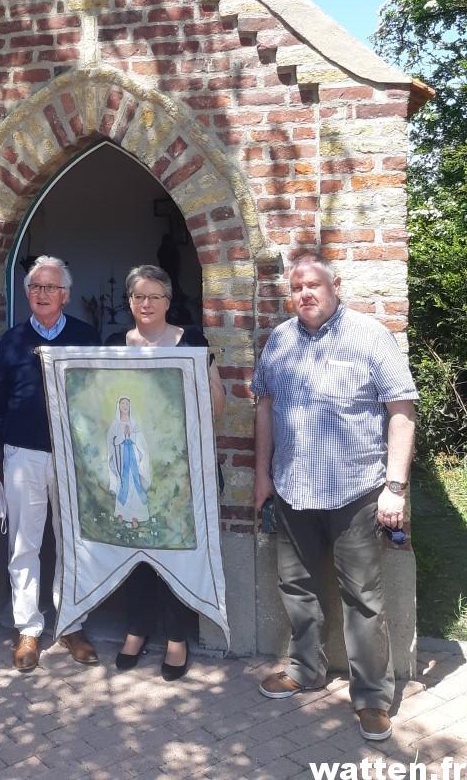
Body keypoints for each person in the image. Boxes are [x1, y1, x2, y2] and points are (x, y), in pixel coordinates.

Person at [252, 251, 417, 743]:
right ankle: (306, 669)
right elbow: (264, 408)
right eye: (297, 287)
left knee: (364, 599)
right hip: (293, 491)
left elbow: (402, 411)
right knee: (296, 589)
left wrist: (395, 487)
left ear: (335, 285)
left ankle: (371, 698)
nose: (305, 294)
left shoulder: (370, 336)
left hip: (356, 495)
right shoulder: (279, 342)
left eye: (314, 285)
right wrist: (262, 475)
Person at [0, 256, 102, 672]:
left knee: (73, 543)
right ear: (27, 293)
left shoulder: (87, 337)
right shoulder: (11, 341)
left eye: (51, 288)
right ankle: (28, 629)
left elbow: (100, 399)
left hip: (73, 457)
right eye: (35, 287)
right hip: (21, 456)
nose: (42, 294)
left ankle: (71, 623)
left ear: (65, 295)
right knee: (23, 544)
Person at [105, 264, 226, 682]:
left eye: (155, 296)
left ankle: (177, 637)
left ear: (168, 302)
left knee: (175, 550)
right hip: (135, 471)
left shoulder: (192, 340)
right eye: (139, 296)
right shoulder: (113, 346)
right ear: (130, 301)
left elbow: (217, 407)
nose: (146, 303)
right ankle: (136, 629)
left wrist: (200, 370)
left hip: (181, 470)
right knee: (135, 550)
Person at [107, 396, 151, 526]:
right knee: (123, 485)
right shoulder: (115, 424)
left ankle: (136, 516)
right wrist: (122, 436)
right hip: (122, 462)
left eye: (127, 403)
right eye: (122, 403)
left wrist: (131, 435)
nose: (125, 405)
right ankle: (122, 513)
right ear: (118, 406)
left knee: (135, 484)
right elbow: (111, 441)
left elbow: (141, 441)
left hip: (133, 460)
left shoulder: (134, 423)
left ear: (130, 406)